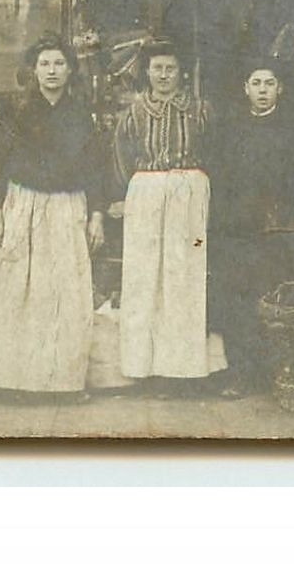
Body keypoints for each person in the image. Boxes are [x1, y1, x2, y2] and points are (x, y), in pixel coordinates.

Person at [0, 38, 107, 398]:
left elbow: (96, 168)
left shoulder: (81, 114)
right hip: (23, 204)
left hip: (67, 206)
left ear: (70, 70)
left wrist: (97, 216)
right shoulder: (14, 110)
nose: (52, 71)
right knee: (18, 290)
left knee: (66, 293)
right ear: (33, 70)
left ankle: (63, 383)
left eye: (59, 64)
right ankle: (12, 381)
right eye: (45, 64)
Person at [112, 40, 226, 387]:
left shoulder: (200, 109)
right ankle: (143, 368)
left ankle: (184, 369)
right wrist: (123, 196)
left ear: (182, 72)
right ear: (146, 72)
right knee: (144, 277)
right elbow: (120, 157)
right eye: (157, 68)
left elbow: (215, 152)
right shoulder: (132, 113)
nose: (164, 75)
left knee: (184, 277)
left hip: (188, 193)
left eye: (171, 68)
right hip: (146, 192)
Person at [206, 59, 294, 398]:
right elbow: (222, 179)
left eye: (269, 83)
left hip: (280, 229)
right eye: (256, 83)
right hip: (242, 230)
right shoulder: (232, 129)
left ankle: (280, 373)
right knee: (239, 300)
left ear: (279, 89)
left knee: (279, 301)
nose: (262, 90)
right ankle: (243, 374)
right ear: (245, 88)